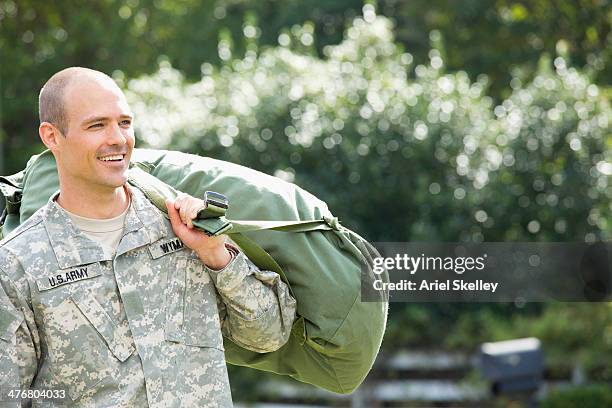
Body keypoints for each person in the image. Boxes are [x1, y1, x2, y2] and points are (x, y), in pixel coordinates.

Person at [0, 67, 297, 407]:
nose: (118, 138)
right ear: (52, 136)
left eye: (124, 123)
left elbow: (269, 335)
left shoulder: (184, 228)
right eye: (97, 125)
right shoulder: (16, 264)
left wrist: (217, 255)